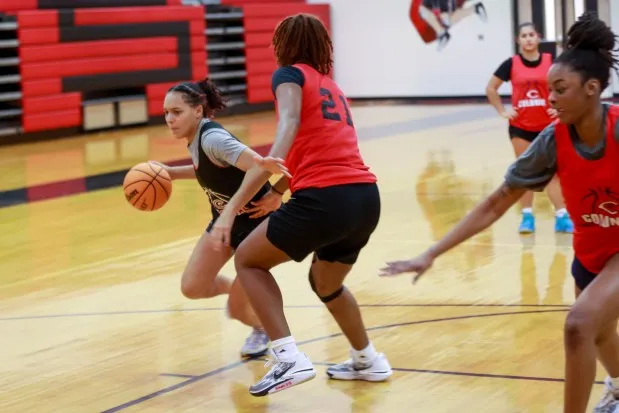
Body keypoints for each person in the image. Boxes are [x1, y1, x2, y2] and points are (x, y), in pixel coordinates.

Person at [380, 13, 619, 413]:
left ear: (592, 89)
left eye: (560, 89)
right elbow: (495, 202)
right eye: (548, 90)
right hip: (590, 254)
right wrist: (432, 252)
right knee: (599, 334)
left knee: (579, 325)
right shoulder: (551, 140)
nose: (550, 99)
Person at [207, 13, 393, 397]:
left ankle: (288, 358)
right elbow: (322, 145)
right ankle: (367, 358)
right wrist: (280, 188)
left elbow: (289, 125)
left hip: (326, 197)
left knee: (248, 259)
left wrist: (236, 201)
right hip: (364, 197)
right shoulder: (333, 86)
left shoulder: (288, 75)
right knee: (326, 284)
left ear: (284, 46)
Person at [155, 77, 290, 358]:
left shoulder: (214, 138)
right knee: (193, 287)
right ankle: (245, 292)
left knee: (237, 311)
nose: (169, 119)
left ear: (198, 111)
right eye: (166, 113)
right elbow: (210, 169)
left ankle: (261, 326)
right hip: (225, 222)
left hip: (255, 227)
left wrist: (275, 193)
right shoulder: (196, 139)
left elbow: (261, 166)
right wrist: (169, 172)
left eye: (176, 112)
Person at [486, 22, 573, 234]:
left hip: (548, 126)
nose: (528, 39)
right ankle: (527, 216)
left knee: (553, 173)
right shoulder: (511, 63)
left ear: (538, 38)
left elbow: (569, 85)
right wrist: (502, 111)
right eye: (523, 35)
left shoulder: (551, 62)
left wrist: (561, 109)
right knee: (525, 172)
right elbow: (491, 88)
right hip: (521, 128)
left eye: (531, 35)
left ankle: (561, 216)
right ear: (518, 40)